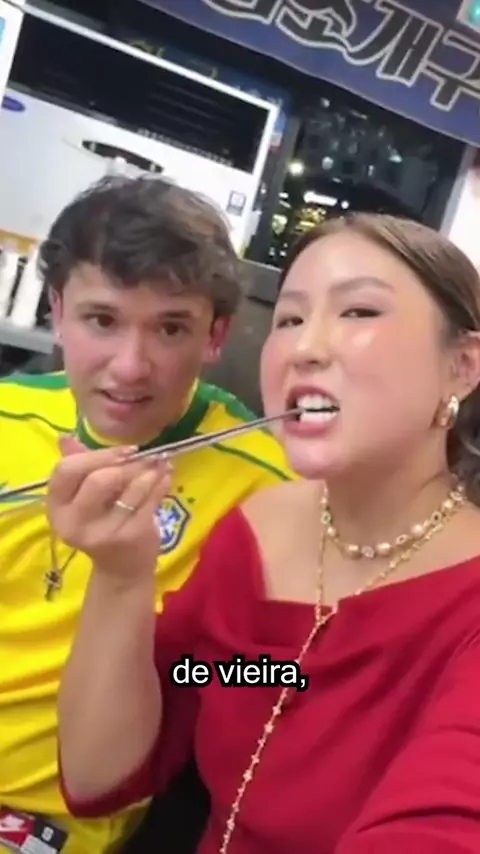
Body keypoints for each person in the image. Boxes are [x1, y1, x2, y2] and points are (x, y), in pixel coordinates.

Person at [54, 212, 480, 854]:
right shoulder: (255, 533)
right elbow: (99, 777)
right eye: (289, 319)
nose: (305, 347)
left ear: (463, 365)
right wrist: (121, 573)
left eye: (359, 312)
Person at [0, 176, 293, 854]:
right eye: (102, 320)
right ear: (57, 310)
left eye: (170, 328)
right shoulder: (7, 413)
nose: (131, 367)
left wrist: (195, 671)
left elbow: (285, 673)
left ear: (216, 335)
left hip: (47, 820)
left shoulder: (271, 486)